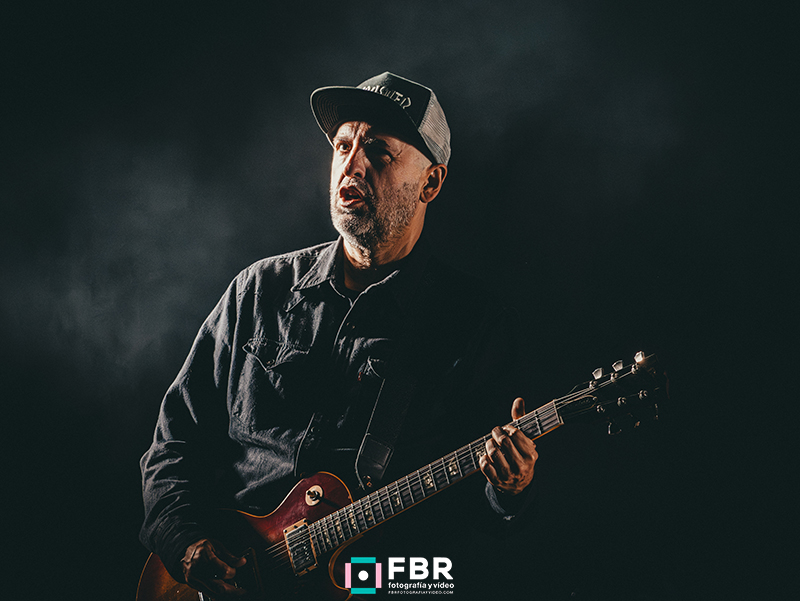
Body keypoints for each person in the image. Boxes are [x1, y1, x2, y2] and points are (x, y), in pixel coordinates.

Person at [140, 72, 538, 599]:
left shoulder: (473, 324)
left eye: (378, 151)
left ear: (431, 183)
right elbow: (174, 441)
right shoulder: (258, 291)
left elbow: (470, 537)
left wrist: (509, 488)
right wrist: (185, 544)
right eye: (343, 145)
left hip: (372, 580)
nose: (352, 165)